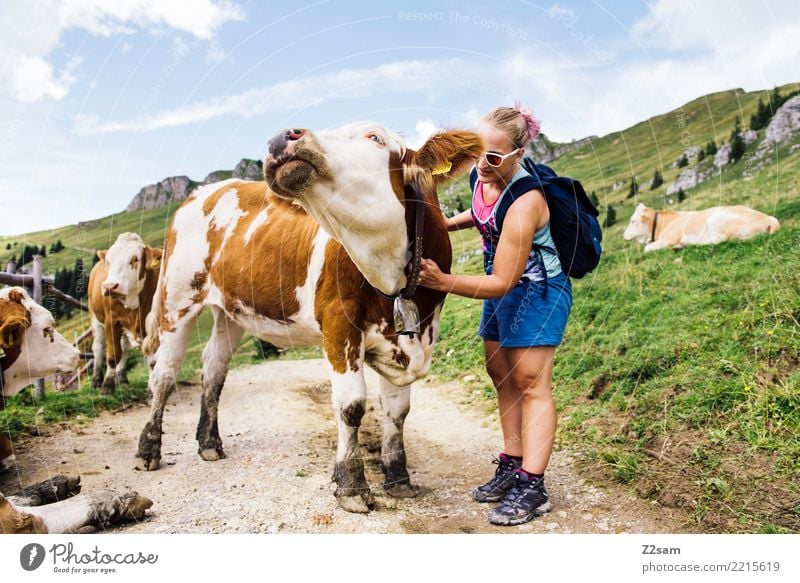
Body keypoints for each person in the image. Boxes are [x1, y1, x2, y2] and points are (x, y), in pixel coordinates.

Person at [418, 103, 572, 526]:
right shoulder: (480, 176)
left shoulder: (527, 203)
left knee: (531, 382)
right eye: (477, 154)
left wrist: (441, 280)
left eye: (494, 158)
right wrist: (450, 223)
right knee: (501, 373)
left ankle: (533, 484)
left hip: (538, 291)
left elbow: (505, 280)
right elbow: (484, 211)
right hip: (500, 285)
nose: (482, 165)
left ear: (518, 155)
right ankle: (513, 462)